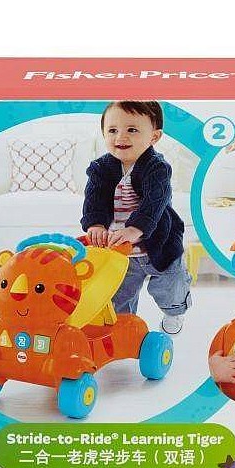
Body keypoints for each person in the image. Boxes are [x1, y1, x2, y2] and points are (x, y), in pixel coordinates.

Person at [81, 100, 191, 334]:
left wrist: (135, 229)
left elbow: (155, 202)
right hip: (120, 249)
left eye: (132, 129)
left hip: (159, 243)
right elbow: (94, 198)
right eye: (113, 130)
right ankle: (123, 327)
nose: (121, 136)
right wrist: (96, 224)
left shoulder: (157, 168)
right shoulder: (100, 168)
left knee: (171, 285)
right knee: (118, 293)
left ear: (154, 136)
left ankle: (174, 312)